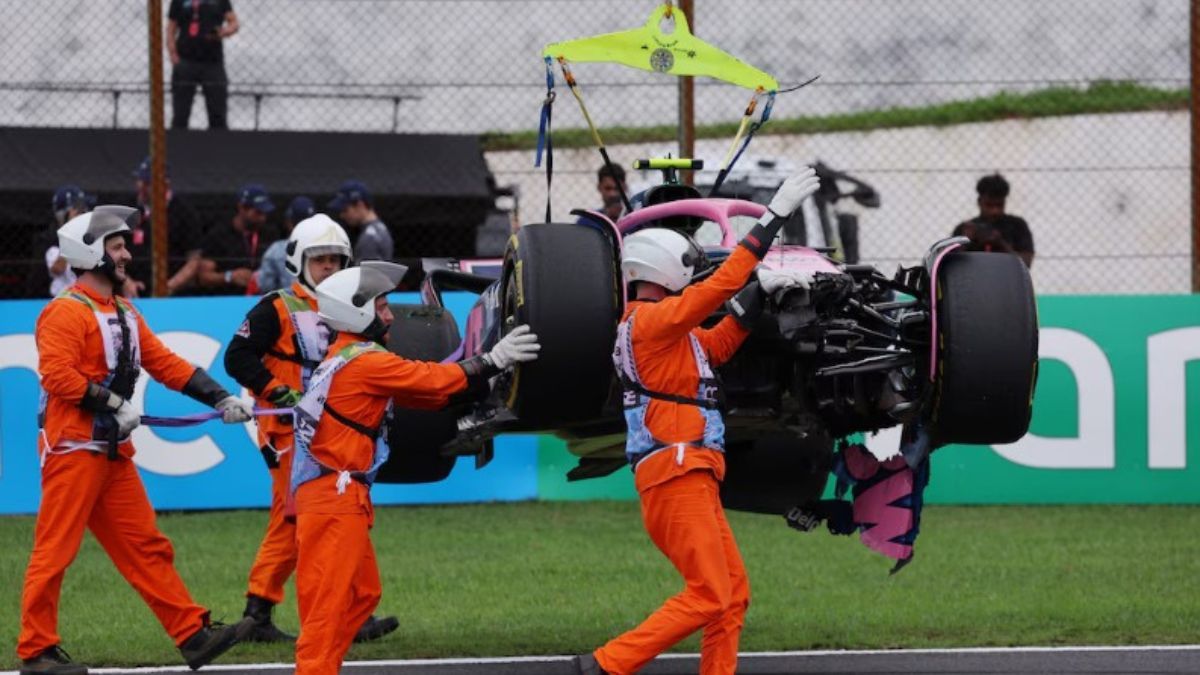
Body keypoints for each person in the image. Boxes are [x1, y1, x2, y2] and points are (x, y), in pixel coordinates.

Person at [575, 168, 821, 675]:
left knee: (732, 596)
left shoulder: (665, 333)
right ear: (666, 269)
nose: (693, 274)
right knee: (711, 594)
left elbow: (721, 342)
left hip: (689, 472)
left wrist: (758, 297)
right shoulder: (649, 322)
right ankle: (606, 665)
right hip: (675, 470)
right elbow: (714, 293)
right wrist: (772, 220)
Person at [18, 206, 258, 675]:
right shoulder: (64, 313)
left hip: (110, 452)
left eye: (124, 245)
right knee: (55, 551)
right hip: (73, 449)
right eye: (117, 246)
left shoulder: (125, 310)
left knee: (146, 546)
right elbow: (57, 376)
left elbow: (166, 363)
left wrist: (222, 397)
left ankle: (192, 635)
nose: (127, 253)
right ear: (89, 253)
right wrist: (112, 403)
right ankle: (35, 651)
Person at [291, 261, 540, 675]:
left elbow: (426, 396)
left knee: (361, 597)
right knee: (325, 612)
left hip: (339, 497)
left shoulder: (349, 355)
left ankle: (322, 666)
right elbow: (431, 382)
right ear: (356, 311)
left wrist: (477, 375)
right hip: (333, 501)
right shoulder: (365, 362)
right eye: (382, 306)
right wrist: (491, 360)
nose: (390, 315)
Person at [126, 156, 205, 297]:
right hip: (132, 290)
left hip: (173, 291)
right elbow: (112, 250)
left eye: (147, 183)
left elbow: (194, 260)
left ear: (164, 184)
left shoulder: (184, 212)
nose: (140, 186)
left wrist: (168, 287)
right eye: (139, 180)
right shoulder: (128, 207)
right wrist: (126, 281)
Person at [166, 0, 238, 130]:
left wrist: (224, 32)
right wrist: (172, 54)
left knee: (218, 115)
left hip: (213, 62)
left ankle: (218, 146)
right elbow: (171, 28)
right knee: (180, 115)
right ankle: (177, 146)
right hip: (185, 61)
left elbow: (234, 22)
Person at [196, 184, 279, 295]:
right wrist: (230, 276)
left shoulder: (270, 234)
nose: (262, 218)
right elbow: (204, 277)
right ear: (241, 208)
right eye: (258, 213)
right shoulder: (219, 235)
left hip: (263, 297)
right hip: (229, 297)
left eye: (264, 213)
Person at [951, 173, 1035, 268]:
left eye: (999, 205)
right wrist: (965, 242)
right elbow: (951, 265)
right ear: (979, 202)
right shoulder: (964, 229)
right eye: (989, 205)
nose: (994, 211)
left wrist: (1001, 244)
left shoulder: (1017, 226)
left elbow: (1026, 263)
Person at [31, 186, 92, 298]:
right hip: (59, 300)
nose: (84, 213)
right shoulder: (47, 240)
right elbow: (58, 269)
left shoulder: (90, 237)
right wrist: (72, 230)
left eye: (85, 209)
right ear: (62, 214)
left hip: (88, 298)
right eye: (79, 210)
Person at [256, 196, 315, 294]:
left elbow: (265, 285)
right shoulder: (329, 247)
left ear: (289, 222)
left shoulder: (277, 250)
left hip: (286, 306)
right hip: (320, 305)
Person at [328, 180, 394, 262]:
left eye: (345, 210)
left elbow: (368, 274)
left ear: (360, 205)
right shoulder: (380, 229)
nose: (342, 215)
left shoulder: (369, 238)